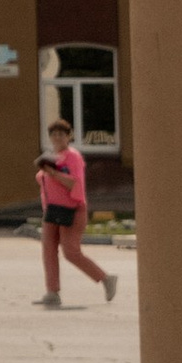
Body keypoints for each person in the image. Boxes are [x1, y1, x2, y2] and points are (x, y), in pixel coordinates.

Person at [35, 119, 117, 308]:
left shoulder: (73, 157)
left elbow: (75, 184)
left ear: (69, 137)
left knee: (71, 252)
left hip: (72, 210)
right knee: (48, 251)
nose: (57, 138)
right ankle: (52, 292)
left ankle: (105, 279)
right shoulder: (52, 156)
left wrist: (53, 173)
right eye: (54, 134)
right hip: (52, 211)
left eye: (61, 134)